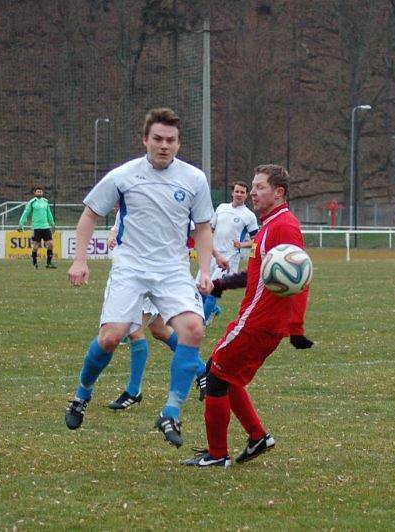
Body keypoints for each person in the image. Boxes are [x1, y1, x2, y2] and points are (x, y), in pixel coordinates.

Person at [64, 108, 214, 449]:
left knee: (193, 329)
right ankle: (81, 395)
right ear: (145, 140)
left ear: (179, 143)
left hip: (173, 270)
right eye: (158, 139)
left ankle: (170, 412)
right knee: (111, 338)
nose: (164, 146)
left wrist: (204, 270)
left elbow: (204, 227)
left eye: (171, 140)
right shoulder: (124, 175)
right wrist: (79, 260)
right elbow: (89, 214)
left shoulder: (194, 180)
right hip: (130, 267)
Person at [183, 164, 310, 468]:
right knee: (225, 371)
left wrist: (296, 327)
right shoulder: (269, 225)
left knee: (215, 377)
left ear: (278, 193)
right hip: (255, 318)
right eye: (252, 186)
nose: (252, 192)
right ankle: (257, 437)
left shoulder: (284, 227)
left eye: (259, 187)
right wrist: (221, 284)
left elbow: (300, 275)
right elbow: (257, 274)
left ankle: (217, 455)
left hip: (260, 321)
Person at [103, 220, 205, 410]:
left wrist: (211, 256)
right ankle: (203, 371)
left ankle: (133, 391)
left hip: (152, 274)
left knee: (135, 332)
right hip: (131, 274)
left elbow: (197, 231)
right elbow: (117, 227)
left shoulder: (169, 197)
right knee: (160, 330)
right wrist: (112, 236)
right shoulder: (130, 196)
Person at [199, 181, 259, 325]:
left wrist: (242, 244)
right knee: (201, 288)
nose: (239, 194)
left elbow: (256, 239)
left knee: (213, 289)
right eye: (237, 191)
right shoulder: (221, 208)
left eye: (242, 192)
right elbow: (210, 229)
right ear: (232, 193)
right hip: (213, 254)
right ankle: (213, 310)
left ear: (246, 195)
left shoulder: (249, 215)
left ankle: (201, 323)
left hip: (229, 257)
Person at [17, 185, 57, 269]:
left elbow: (49, 214)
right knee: (35, 246)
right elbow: (25, 213)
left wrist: (52, 224)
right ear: (35, 193)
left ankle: (48, 263)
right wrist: (21, 224)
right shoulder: (32, 202)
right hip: (36, 228)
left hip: (46, 227)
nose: (39, 193)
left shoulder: (45, 202)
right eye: (38, 191)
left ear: (42, 193)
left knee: (50, 244)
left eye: (40, 191)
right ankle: (35, 264)